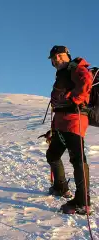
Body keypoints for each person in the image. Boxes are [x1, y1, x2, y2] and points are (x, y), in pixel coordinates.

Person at [46, 45, 92, 214]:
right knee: (52, 154)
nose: (56, 59)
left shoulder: (75, 68)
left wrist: (75, 98)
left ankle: (83, 202)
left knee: (78, 159)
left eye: (59, 55)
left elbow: (86, 81)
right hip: (61, 122)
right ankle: (60, 187)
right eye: (53, 57)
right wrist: (53, 127)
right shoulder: (63, 74)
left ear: (67, 55)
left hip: (74, 120)